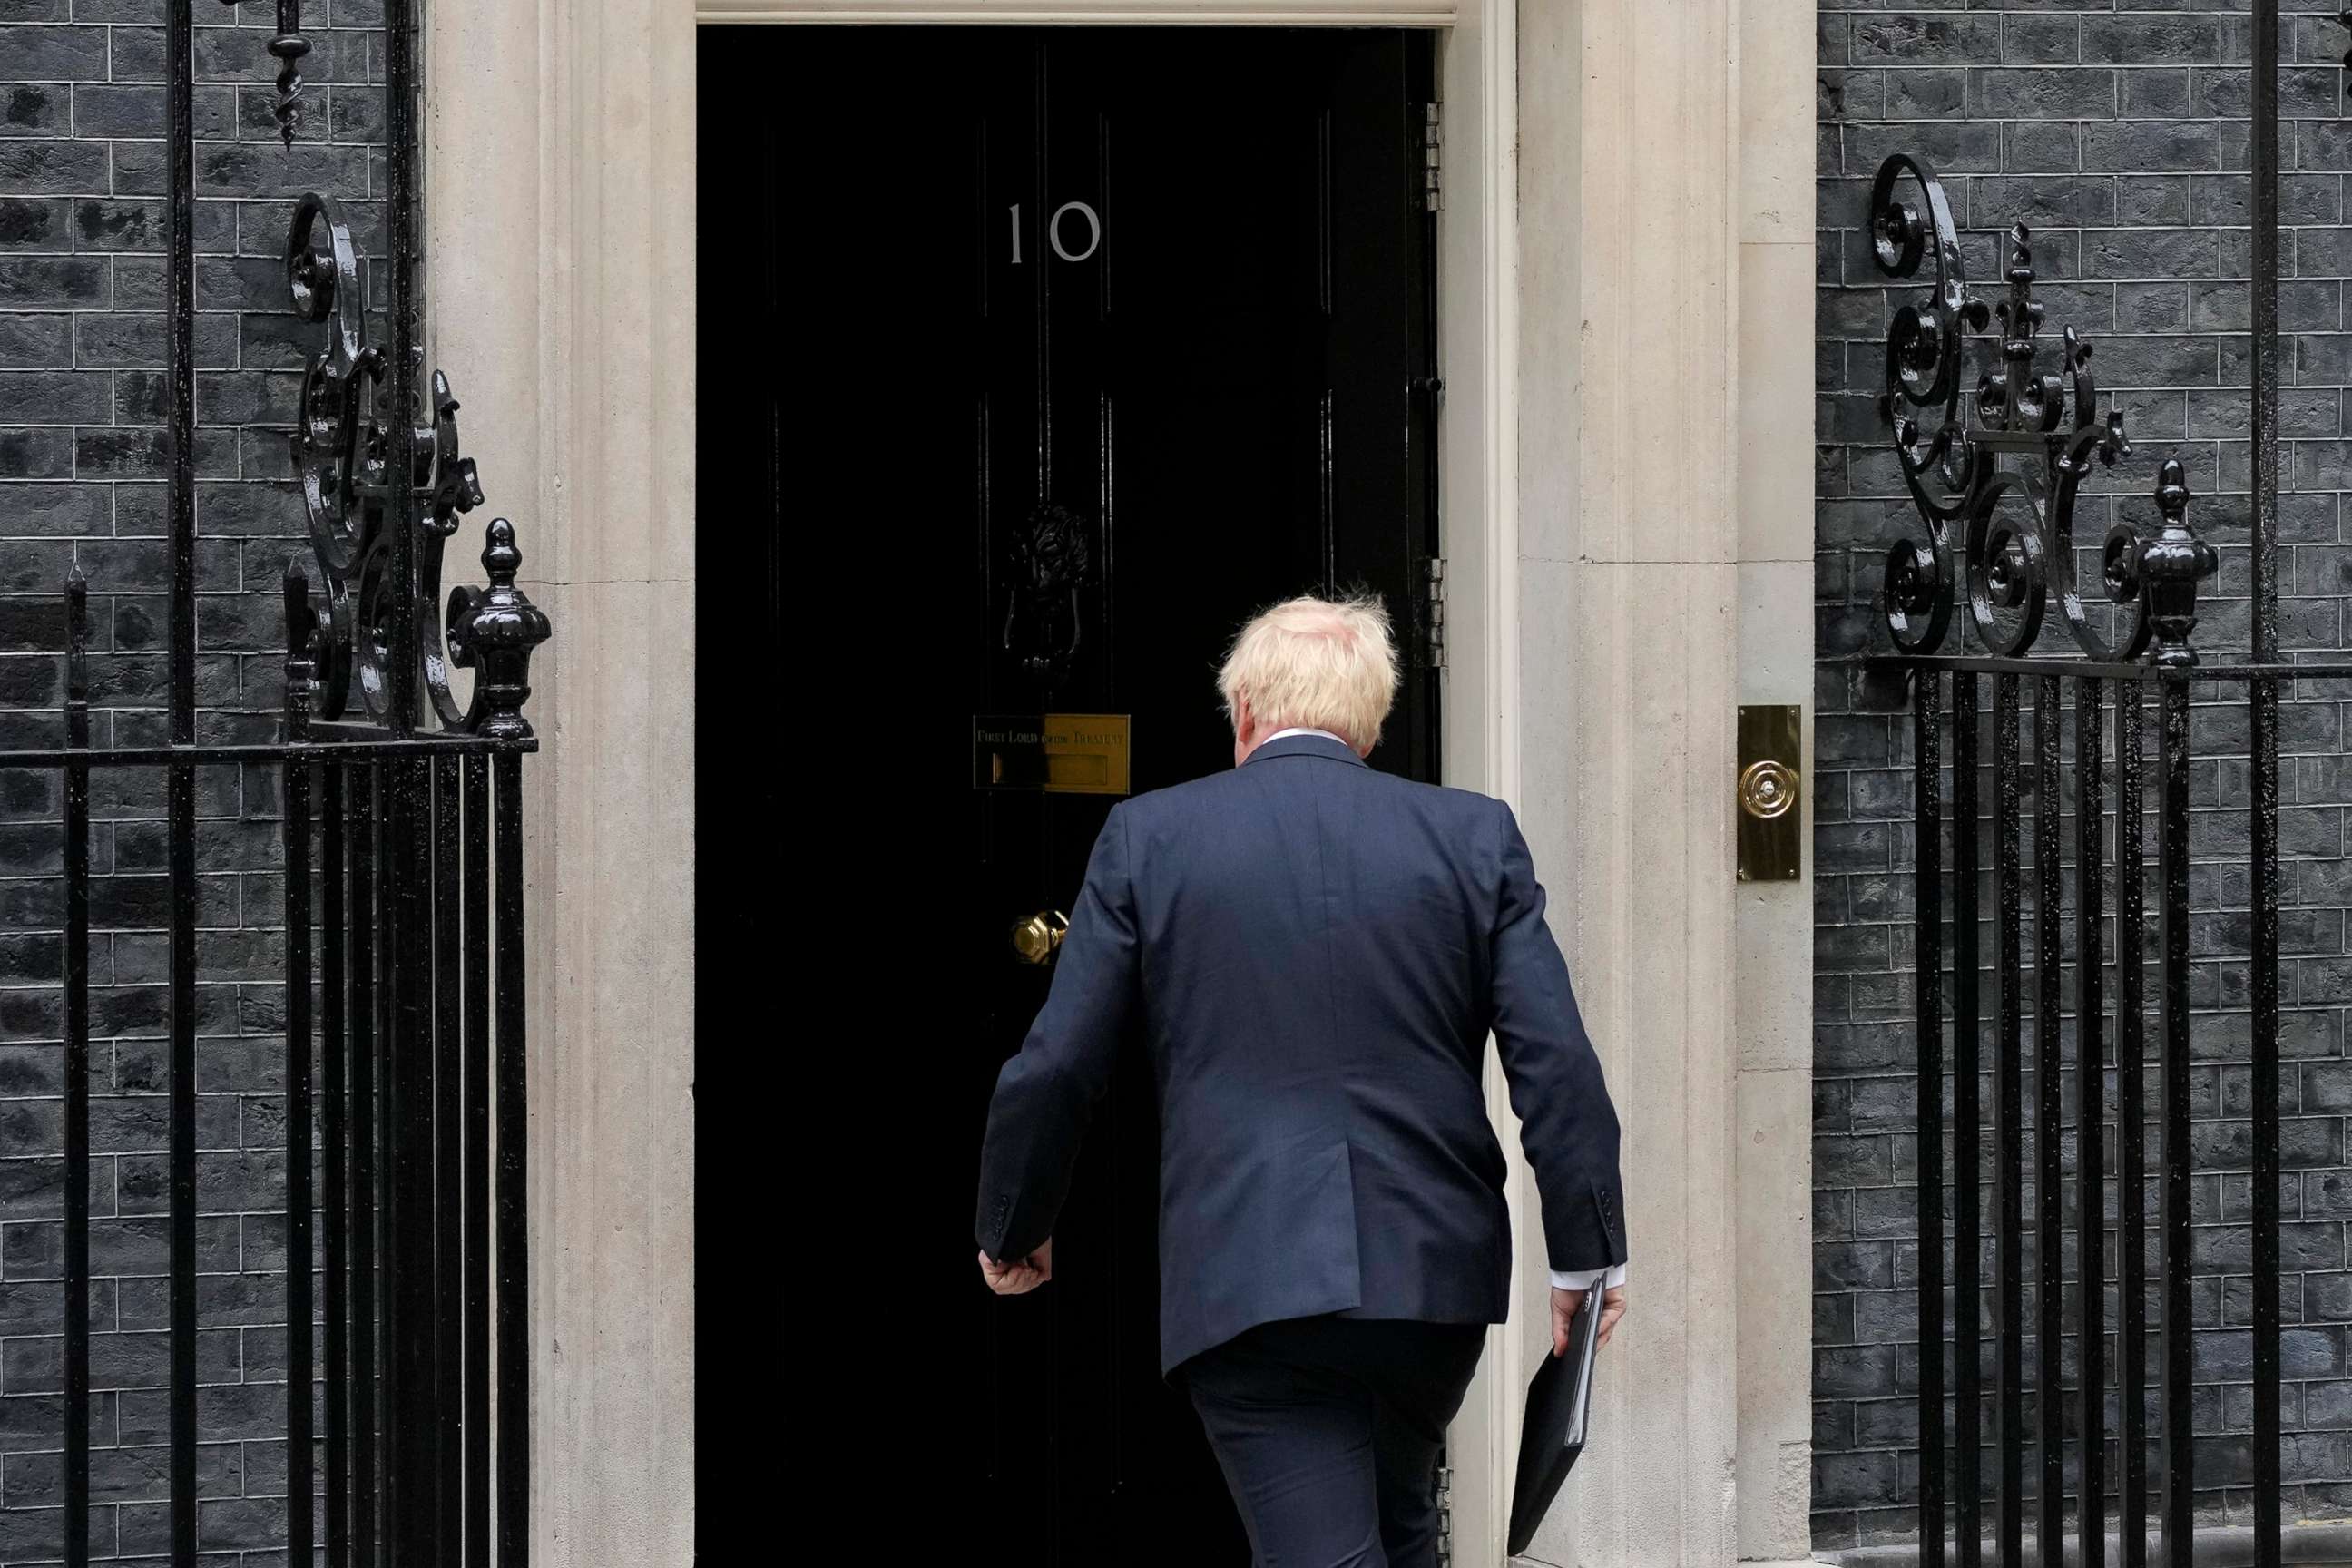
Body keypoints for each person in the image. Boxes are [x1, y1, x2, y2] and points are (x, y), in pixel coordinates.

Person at [974, 593, 1627, 1568]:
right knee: (1399, 1532)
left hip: (1251, 1280)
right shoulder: (1473, 837)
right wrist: (1585, 1256)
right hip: (1430, 1288)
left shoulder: (1151, 838)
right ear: (1370, 722)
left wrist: (1013, 1219)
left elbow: (1060, 1061)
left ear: (1244, 713)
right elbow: (1558, 1064)